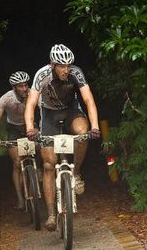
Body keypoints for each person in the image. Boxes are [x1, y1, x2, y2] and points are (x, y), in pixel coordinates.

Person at [24, 44, 100, 231]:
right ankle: (51, 214)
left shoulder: (76, 73)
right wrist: (29, 128)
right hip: (49, 116)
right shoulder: (42, 75)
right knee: (49, 164)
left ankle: (76, 173)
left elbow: (88, 99)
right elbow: (31, 103)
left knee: (83, 132)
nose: (66, 70)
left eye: (68, 65)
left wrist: (96, 125)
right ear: (52, 65)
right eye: (61, 66)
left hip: (71, 112)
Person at [0, 71, 31, 210]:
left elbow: (44, 110)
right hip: (13, 129)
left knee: (41, 148)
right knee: (17, 163)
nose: (24, 89)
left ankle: (39, 170)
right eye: (21, 86)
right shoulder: (6, 98)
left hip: (29, 125)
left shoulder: (33, 93)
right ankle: (20, 198)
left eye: (26, 85)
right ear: (14, 87)